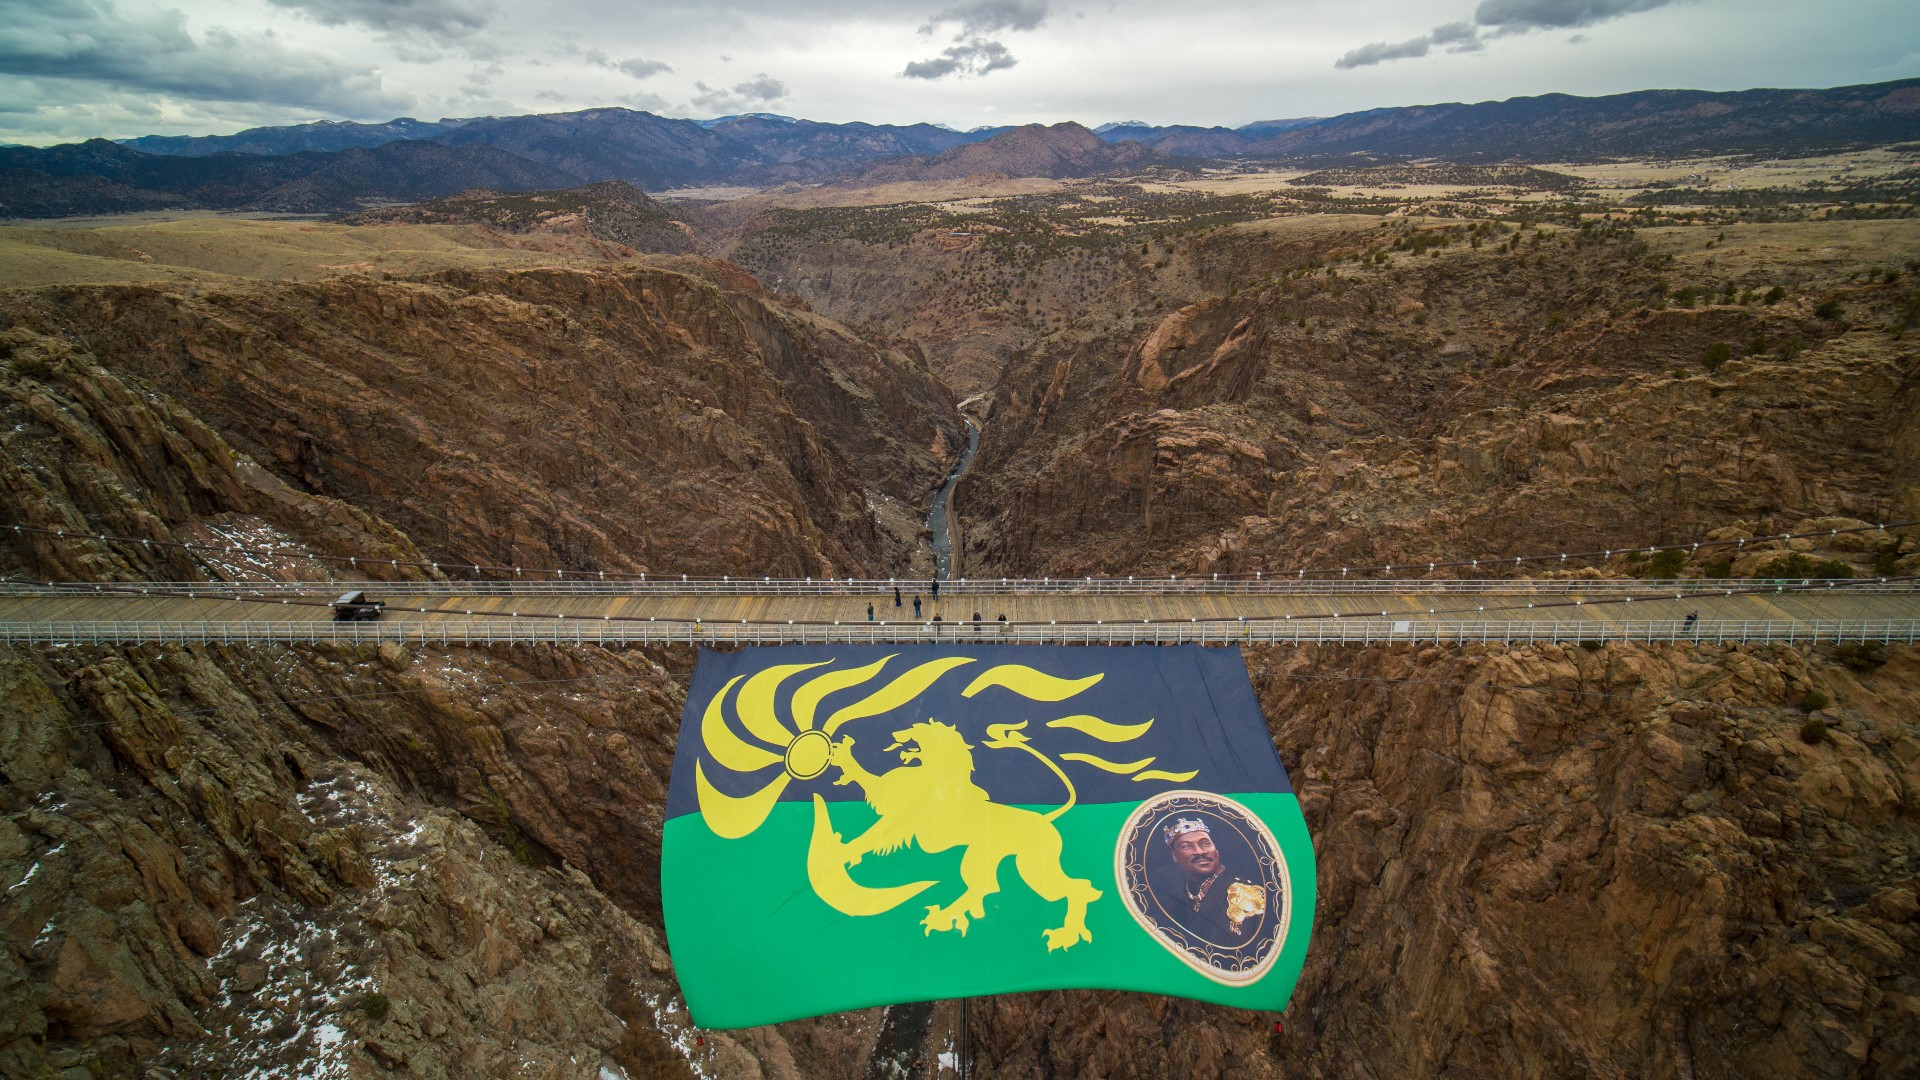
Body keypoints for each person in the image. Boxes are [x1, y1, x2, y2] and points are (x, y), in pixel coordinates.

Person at [1163, 818, 1262, 943]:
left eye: (1206, 844)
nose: (1199, 851)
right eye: (1187, 846)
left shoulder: (1250, 894)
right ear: (1175, 856)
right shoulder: (1171, 905)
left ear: (1216, 849)